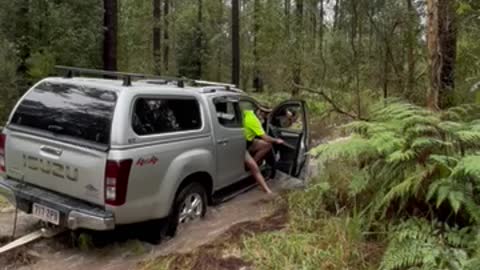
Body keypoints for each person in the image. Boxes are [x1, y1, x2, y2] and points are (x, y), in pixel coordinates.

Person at [243, 107, 284, 194]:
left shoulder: (248, 112)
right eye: (264, 113)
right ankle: (267, 190)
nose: (265, 115)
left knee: (267, 145)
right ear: (258, 110)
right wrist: (276, 140)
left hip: (249, 141)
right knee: (255, 168)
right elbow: (266, 137)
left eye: (267, 113)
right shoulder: (254, 121)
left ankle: (253, 162)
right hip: (241, 146)